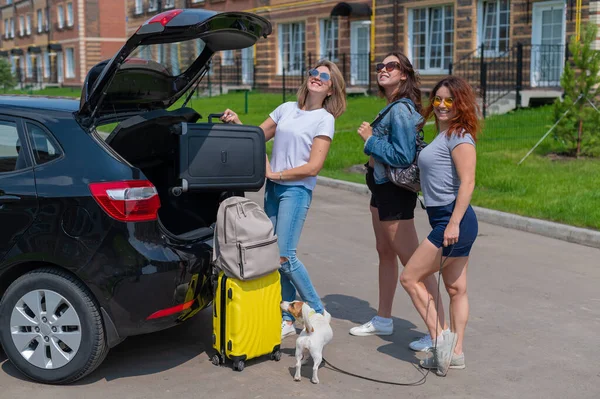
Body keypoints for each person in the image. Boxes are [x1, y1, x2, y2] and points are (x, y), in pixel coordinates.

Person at [220, 60, 346, 338]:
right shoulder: (286, 109)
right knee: (273, 255)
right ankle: (288, 319)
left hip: (296, 191)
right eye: (313, 72)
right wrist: (238, 122)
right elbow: (256, 137)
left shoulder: (324, 119)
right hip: (274, 190)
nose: (316, 77)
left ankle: (317, 308)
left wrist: (275, 172)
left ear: (330, 88)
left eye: (324, 76)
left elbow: (314, 167)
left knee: (285, 255)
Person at [350, 53, 447, 344]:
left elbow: (403, 157)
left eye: (391, 66)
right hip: (381, 190)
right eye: (380, 66)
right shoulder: (391, 107)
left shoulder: (401, 110)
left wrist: (370, 140)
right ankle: (383, 319)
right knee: (385, 253)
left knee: (413, 264)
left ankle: (439, 332)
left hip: (394, 194)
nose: (383, 70)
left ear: (404, 74)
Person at [399, 75, 480, 376]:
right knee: (456, 288)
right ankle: (456, 353)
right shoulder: (442, 134)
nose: (443, 105)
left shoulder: (460, 136)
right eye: (438, 99)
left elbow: (468, 181)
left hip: (452, 219)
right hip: (447, 218)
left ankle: (440, 343)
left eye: (450, 100)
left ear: (461, 103)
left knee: (409, 278)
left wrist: (453, 223)